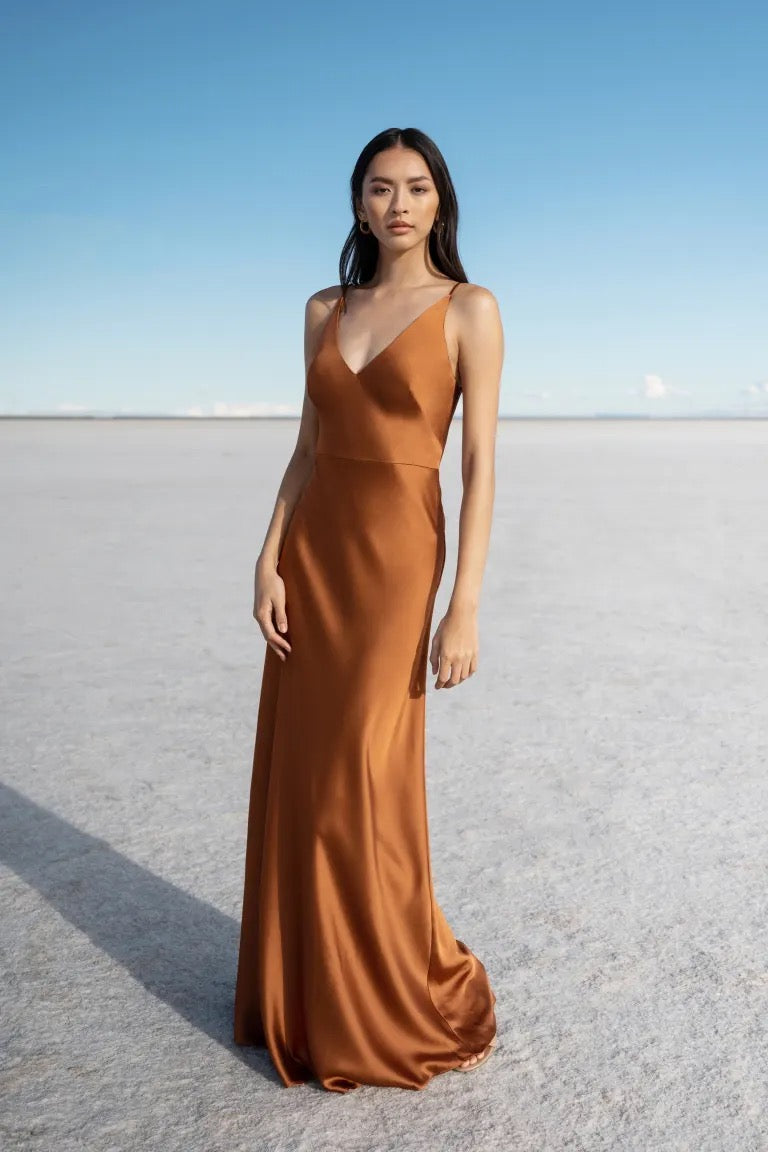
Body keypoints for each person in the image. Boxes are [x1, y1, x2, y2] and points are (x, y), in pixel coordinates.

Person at [233, 126, 504, 1092]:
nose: (398, 203)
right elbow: (307, 446)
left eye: (417, 188)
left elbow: (477, 466)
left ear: (441, 203)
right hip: (316, 554)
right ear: (358, 202)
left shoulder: (469, 308)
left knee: (364, 771)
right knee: (308, 772)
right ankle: (306, 991)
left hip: (398, 559)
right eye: (381, 188)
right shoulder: (322, 308)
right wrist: (267, 559)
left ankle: (378, 991)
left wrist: (463, 604)